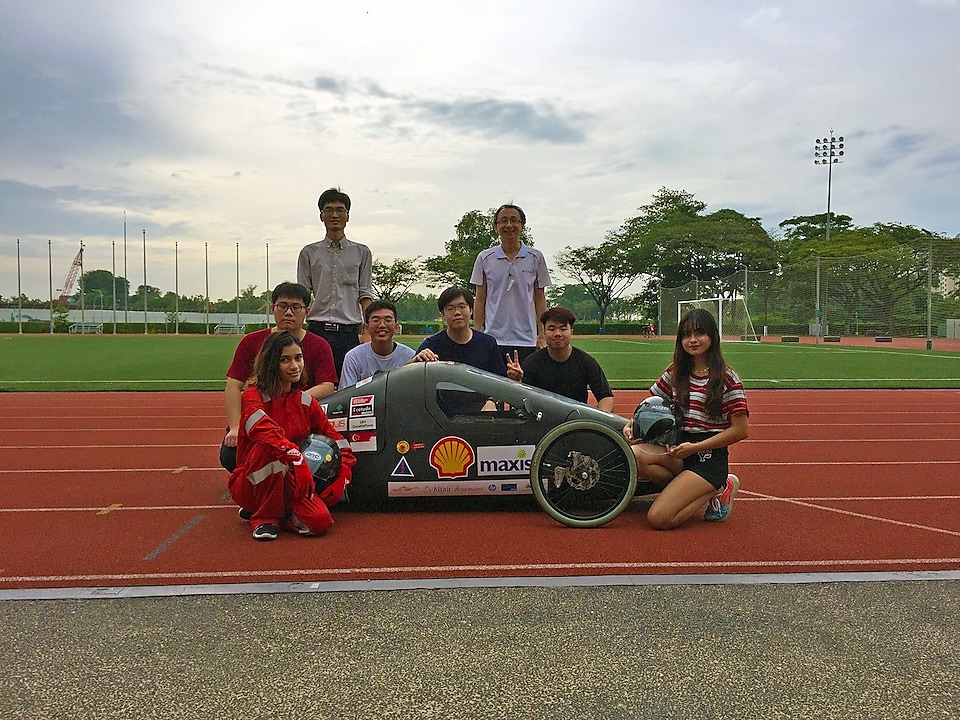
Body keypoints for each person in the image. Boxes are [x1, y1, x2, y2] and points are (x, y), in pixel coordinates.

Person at [622, 308, 749, 530]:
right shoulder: (676, 372)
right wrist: (631, 424)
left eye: (700, 333)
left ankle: (720, 487)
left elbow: (741, 430)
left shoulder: (727, 378)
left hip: (708, 457)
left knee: (659, 519)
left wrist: (695, 447)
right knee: (632, 455)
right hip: (678, 450)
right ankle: (684, 489)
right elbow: (650, 403)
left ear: (712, 336)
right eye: (686, 335)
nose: (692, 340)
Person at [228, 331, 356, 541]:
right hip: (250, 483)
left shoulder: (304, 401)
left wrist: (344, 473)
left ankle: (280, 514)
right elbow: (259, 427)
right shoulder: (254, 395)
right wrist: (295, 457)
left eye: (298, 358)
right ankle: (264, 517)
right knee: (269, 449)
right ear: (271, 363)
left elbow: (335, 438)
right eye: (285, 360)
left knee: (320, 522)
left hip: (291, 479)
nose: (295, 366)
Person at [221, 281, 337, 472]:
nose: (289, 312)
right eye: (282, 306)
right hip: (263, 412)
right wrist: (234, 427)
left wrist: (294, 402)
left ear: (306, 312)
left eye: (296, 307)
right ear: (273, 308)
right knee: (231, 455)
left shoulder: (319, 345)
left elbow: (327, 385)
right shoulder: (251, 342)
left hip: (300, 416)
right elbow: (233, 385)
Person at [297, 187, 375, 378]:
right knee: (313, 384)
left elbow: (365, 293)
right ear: (321, 216)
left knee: (348, 388)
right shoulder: (308, 253)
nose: (335, 215)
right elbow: (302, 296)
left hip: (348, 333)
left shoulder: (362, 252)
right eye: (329, 210)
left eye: (340, 210)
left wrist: (368, 331)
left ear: (347, 216)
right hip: (316, 330)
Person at [470, 203, 552, 362]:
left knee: (524, 385)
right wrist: (478, 333)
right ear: (496, 226)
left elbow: (539, 298)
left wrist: (541, 335)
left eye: (514, 220)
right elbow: (480, 298)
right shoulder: (484, 258)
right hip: (493, 339)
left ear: (522, 226)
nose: (509, 225)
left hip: (526, 340)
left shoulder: (536, 257)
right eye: (503, 221)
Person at [506, 306, 614, 412]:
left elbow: (606, 397)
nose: (557, 334)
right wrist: (517, 381)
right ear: (544, 333)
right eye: (552, 329)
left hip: (575, 422)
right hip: (541, 422)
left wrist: (597, 421)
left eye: (563, 329)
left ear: (571, 332)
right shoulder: (531, 363)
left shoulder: (586, 362)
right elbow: (522, 400)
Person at [410, 286, 506, 375]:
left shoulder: (487, 343)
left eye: (462, 307)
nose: (457, 312)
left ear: (471, 310)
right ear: (442, 314)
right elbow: (405, 375)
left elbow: (500, 380)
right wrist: (415, 361)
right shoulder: (432, 345)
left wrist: (515, 378)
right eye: (450, 308)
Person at [339, 299, 415, 388]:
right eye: (375, 320)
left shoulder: (410, 356)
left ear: (396, 327)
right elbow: (347, 394)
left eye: (388, 320)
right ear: (366, 328)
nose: (382, 325)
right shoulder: (353, 357)